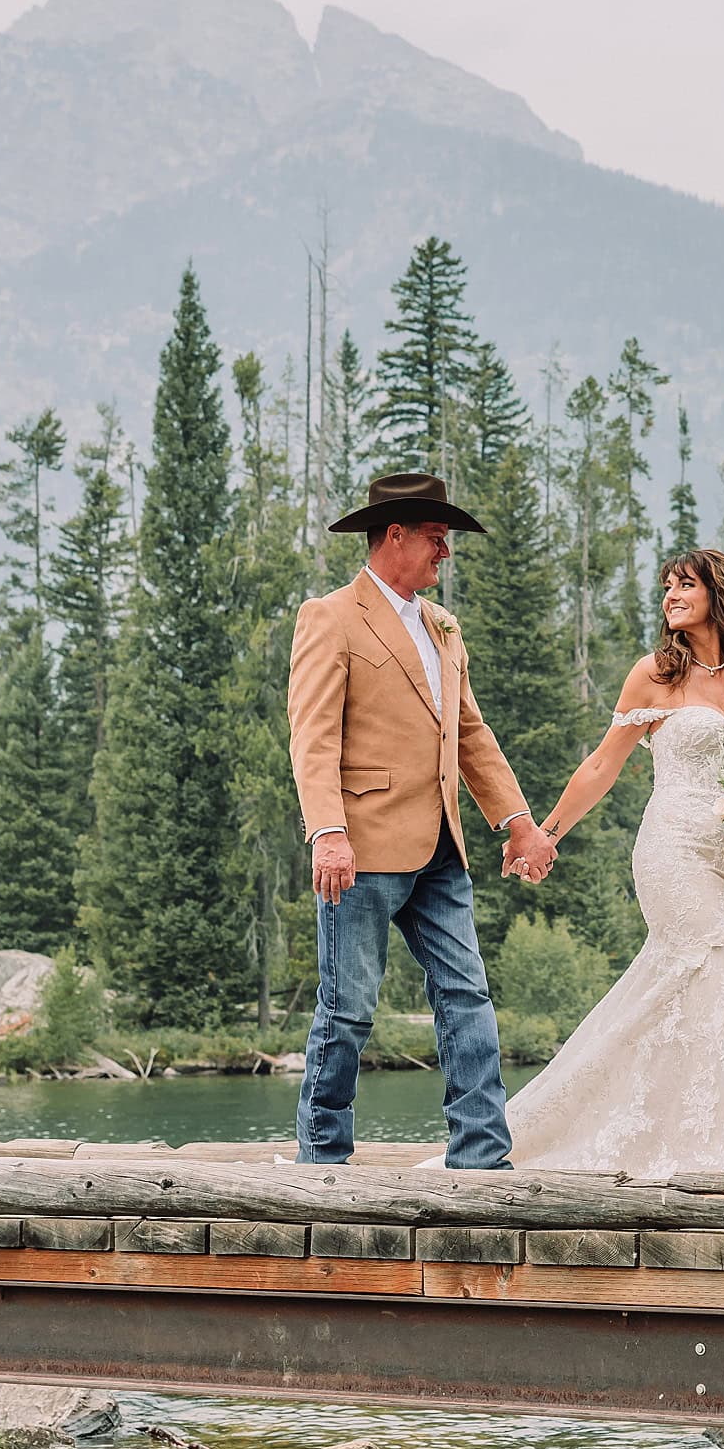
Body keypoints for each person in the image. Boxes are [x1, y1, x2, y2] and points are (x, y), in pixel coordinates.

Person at [504, 547, 724, 1178]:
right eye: (667, 587)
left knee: (697, 985)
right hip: (672, 849)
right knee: (711, 965)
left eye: (685, 585)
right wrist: (545, 834)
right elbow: (602, 765)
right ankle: (719, 1142)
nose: (671, 596)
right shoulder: (653, 674)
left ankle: (699, 1137)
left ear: (719, 594)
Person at [286, 472, 557, 1165]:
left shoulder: (443, 627)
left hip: (441, 848)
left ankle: (482, 1157)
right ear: (394, 535)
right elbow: (312, 735)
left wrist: (518, 822)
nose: (447, 552)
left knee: (467, 995)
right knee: (347, 1011)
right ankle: (322, 1159)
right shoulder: (332, 616)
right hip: (361, 847)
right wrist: (328, 831)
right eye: (437, 538)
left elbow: (469, 733)